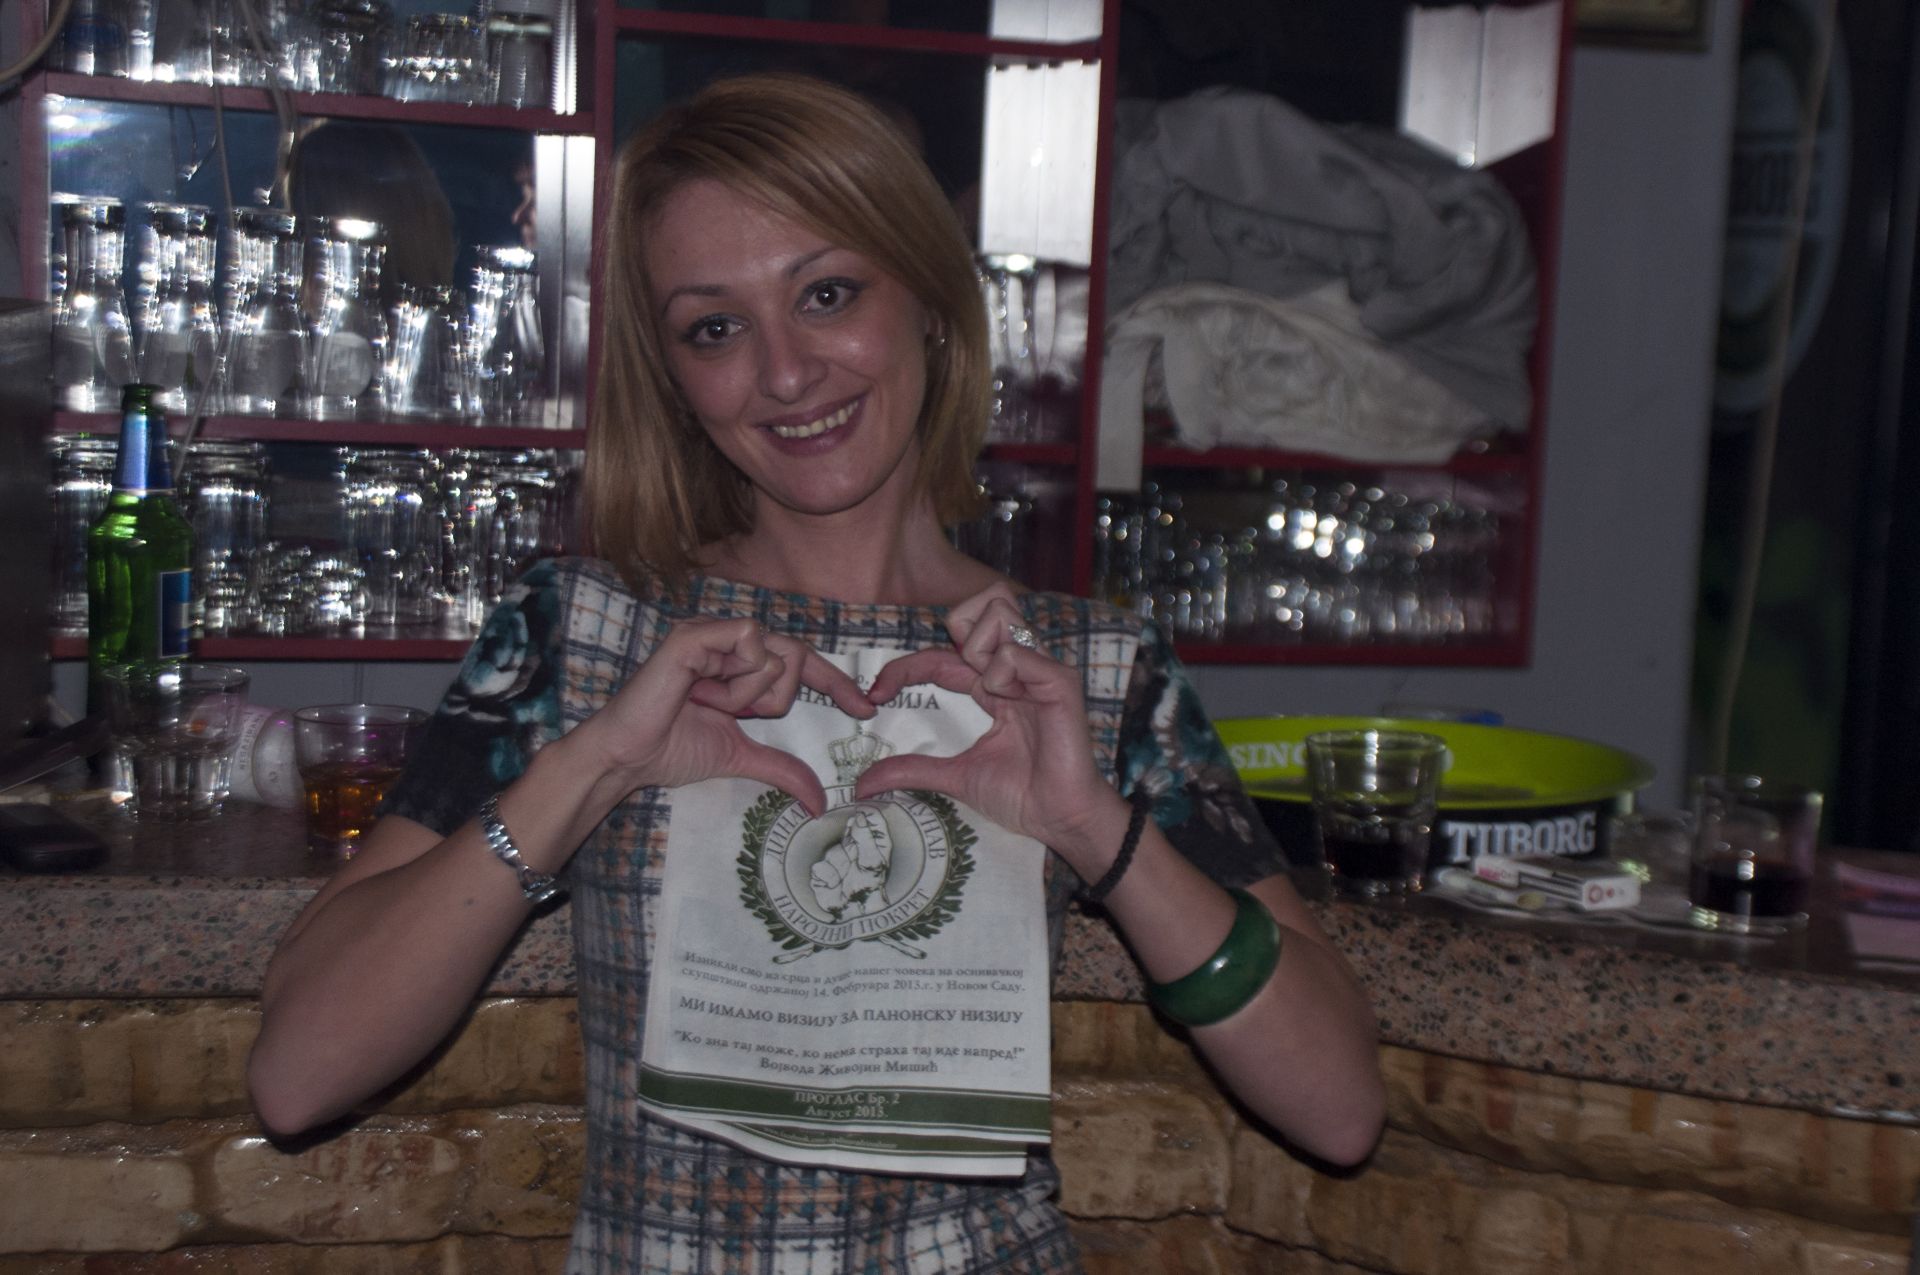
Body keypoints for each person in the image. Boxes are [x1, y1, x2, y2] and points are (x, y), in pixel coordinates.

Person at [248, 72, 1385, 1272]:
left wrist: (1090, 824)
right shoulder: (580, 630)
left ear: (929, 302)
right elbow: (300, 1075)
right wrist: (596, 765)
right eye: (715, 328)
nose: (786, 374)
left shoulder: (1089, 667)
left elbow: (1337, 1108)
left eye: (828, 294)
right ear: (672, 374)